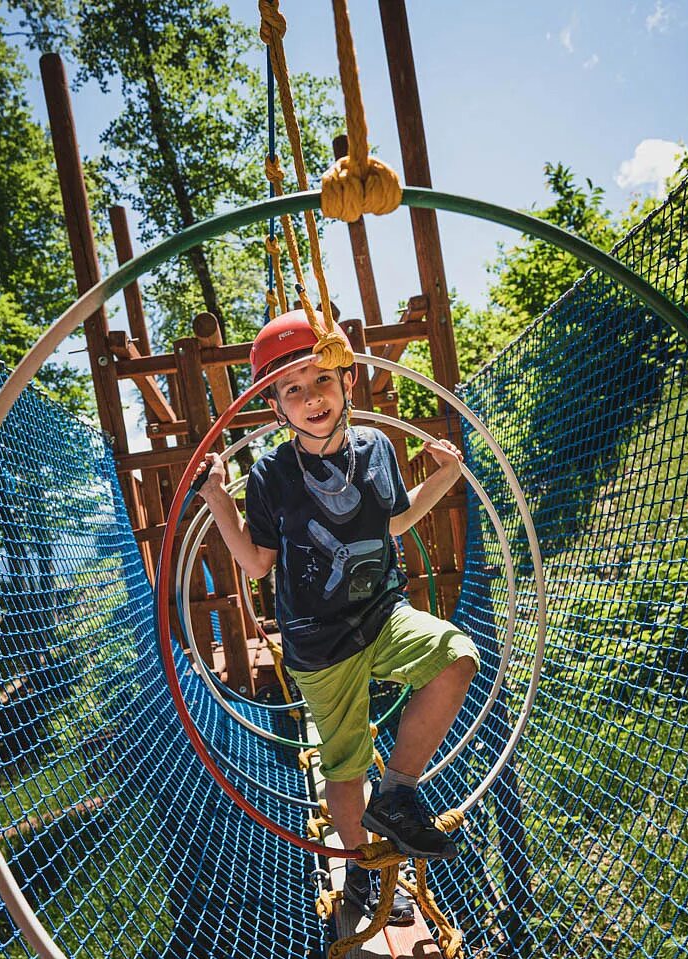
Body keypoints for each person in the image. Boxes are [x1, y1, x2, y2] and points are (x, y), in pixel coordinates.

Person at [198, 310, 479, 924]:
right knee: (345, 760)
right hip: (317, 642)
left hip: (382, 613)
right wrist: (221, 499)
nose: (309, 397)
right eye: (291, 389)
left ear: (347, 382)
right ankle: (362, 873)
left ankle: (399, 791)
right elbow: (254, 564)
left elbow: (397, 520)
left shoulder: (376, 447)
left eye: (319, 380)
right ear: (275, 408)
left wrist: (447, 475)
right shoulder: (270, 473)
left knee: (457, 656)